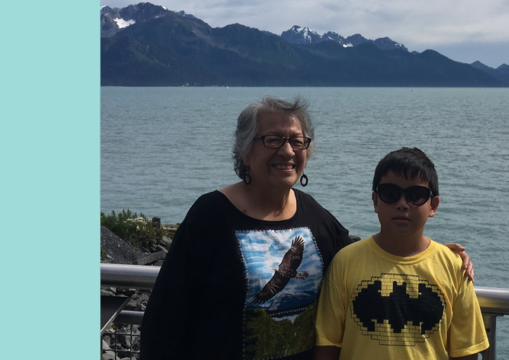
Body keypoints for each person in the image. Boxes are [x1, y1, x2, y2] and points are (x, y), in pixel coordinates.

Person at [140, 98, 474, 360]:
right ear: (245, 151)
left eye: (297, 141)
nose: (286, 151)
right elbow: (166, 316)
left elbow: (367, 253)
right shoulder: (211, 214)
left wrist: (437, 254)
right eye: (272, 139)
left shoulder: (312, 214)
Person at [314, 147, 489, 360]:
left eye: (416, 196)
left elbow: (465, 351)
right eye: (390, 194)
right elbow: (328, 346)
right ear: (375, 201)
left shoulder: (453, 267)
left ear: (433, 206)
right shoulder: (345, 262)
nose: (402, 204)